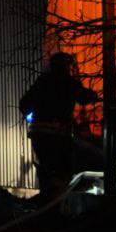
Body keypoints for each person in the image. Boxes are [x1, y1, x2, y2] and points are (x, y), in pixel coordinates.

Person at [19, 52, 101, 198]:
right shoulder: (68, 82)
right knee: (62, 171)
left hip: (39, 135)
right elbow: (84, 97)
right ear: (66, 67)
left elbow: (24, 105)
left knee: (47, 170)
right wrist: (96, 96)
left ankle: (47, 199)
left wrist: (35, 115)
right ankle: (58, 203)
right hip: (58, 135)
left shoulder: (42, 82)